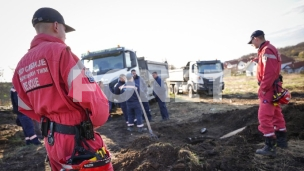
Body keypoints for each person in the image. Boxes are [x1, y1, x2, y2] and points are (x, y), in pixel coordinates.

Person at [12, 7, 113, 171]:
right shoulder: (61, 53)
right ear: (56, 26)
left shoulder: (21, 66)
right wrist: (91, 122)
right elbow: (90, 97)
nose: (65, 36)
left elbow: (25, 107)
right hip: (78, 138)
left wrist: (52, 120)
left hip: (51, 140)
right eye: (65, 30)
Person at [248, 30, 288, 156]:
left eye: (252, 42)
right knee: (276, 114)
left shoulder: (266, 50)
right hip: (274, 88)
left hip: (269, 89)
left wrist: (263, 88)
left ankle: (270, 148)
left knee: (264, 116)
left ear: (256, 38)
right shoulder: (267, 49)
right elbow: (271, 65)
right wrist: (257, 60)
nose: (252, 44)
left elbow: (270, 72)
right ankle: (282, 142)